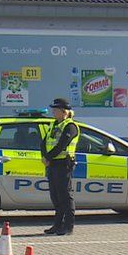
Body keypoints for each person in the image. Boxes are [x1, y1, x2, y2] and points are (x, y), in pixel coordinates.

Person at [41, 98, 80, 235]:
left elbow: (62, 145)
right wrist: (45, 156)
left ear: (64, 112)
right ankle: (57, 225)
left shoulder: (70, 126)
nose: (53, 112)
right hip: (53, 164)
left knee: (65, 196)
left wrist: (48, 157)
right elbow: (44, 142)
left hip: (64, 164)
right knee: (55, 196)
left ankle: (68, 226)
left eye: (56, 110)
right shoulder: (54, 125)